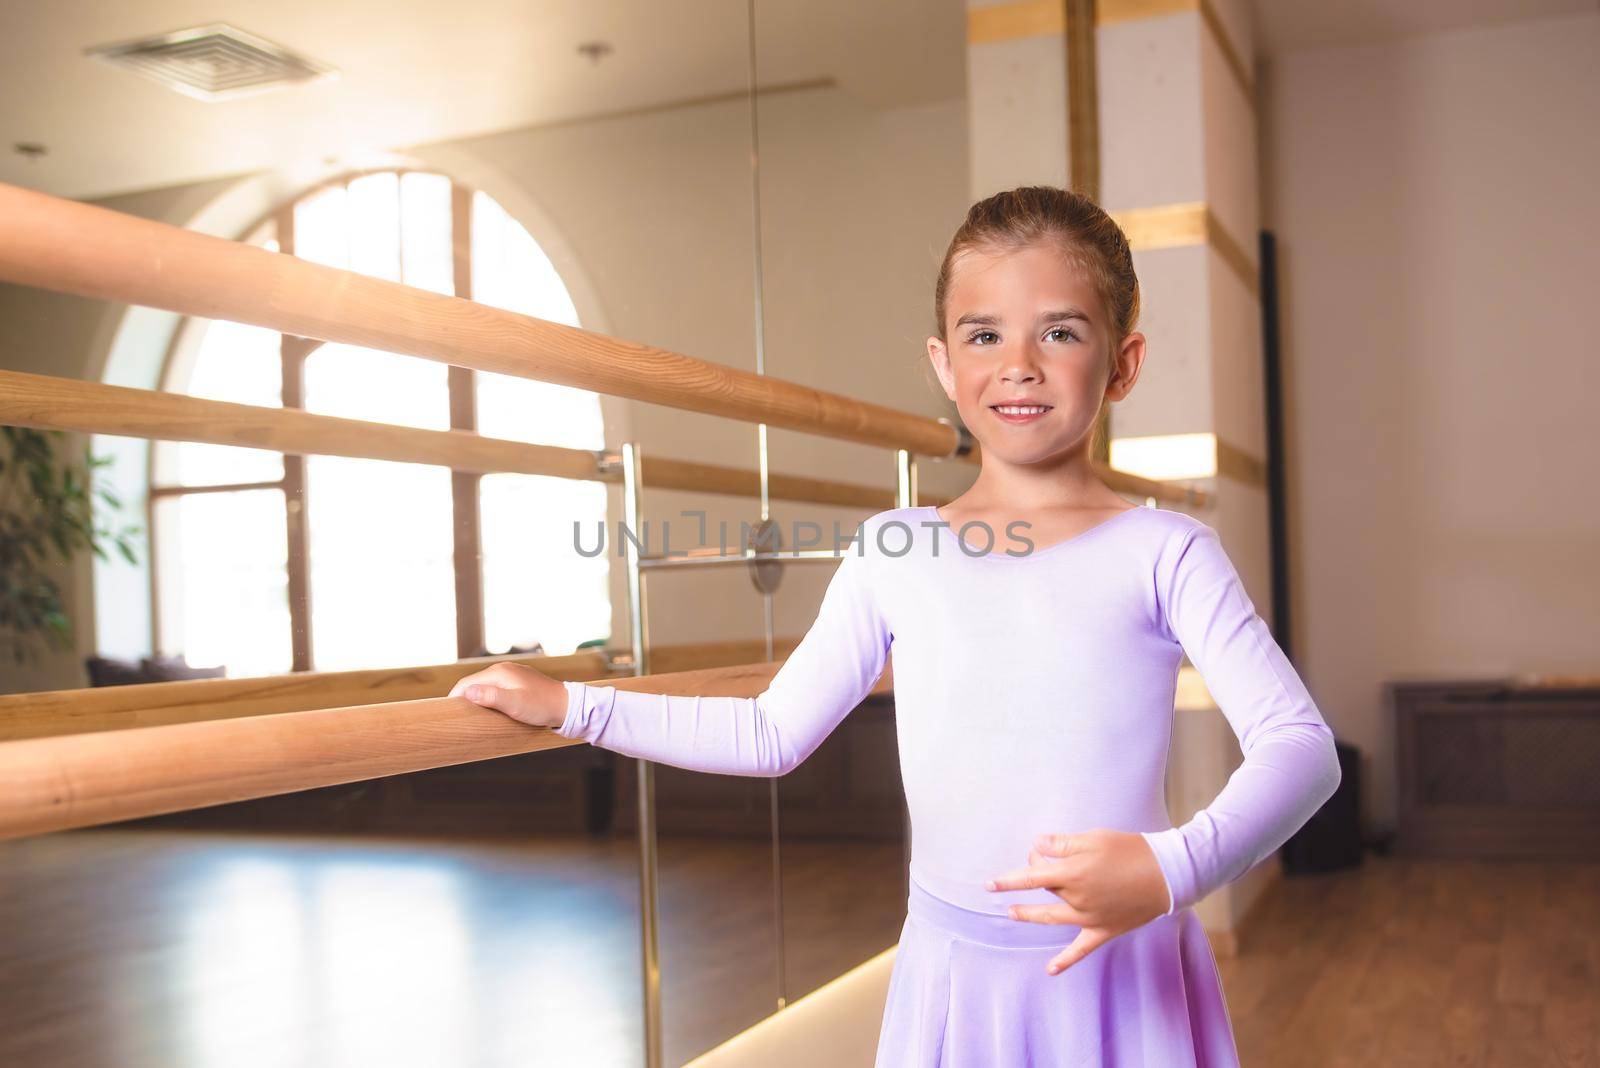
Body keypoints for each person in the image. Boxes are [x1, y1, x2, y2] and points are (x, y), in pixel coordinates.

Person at [450, 185, 1342, 1066]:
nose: (1018, 363)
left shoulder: (1164, 551)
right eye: (983, 334)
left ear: (1124, 363)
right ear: (944, 365)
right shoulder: (894, 549)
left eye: (1060, 332)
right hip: (952, 978)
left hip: (1119, 968)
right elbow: (770, 730)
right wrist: (574, 705)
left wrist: (1171, 870)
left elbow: (1301, 746)